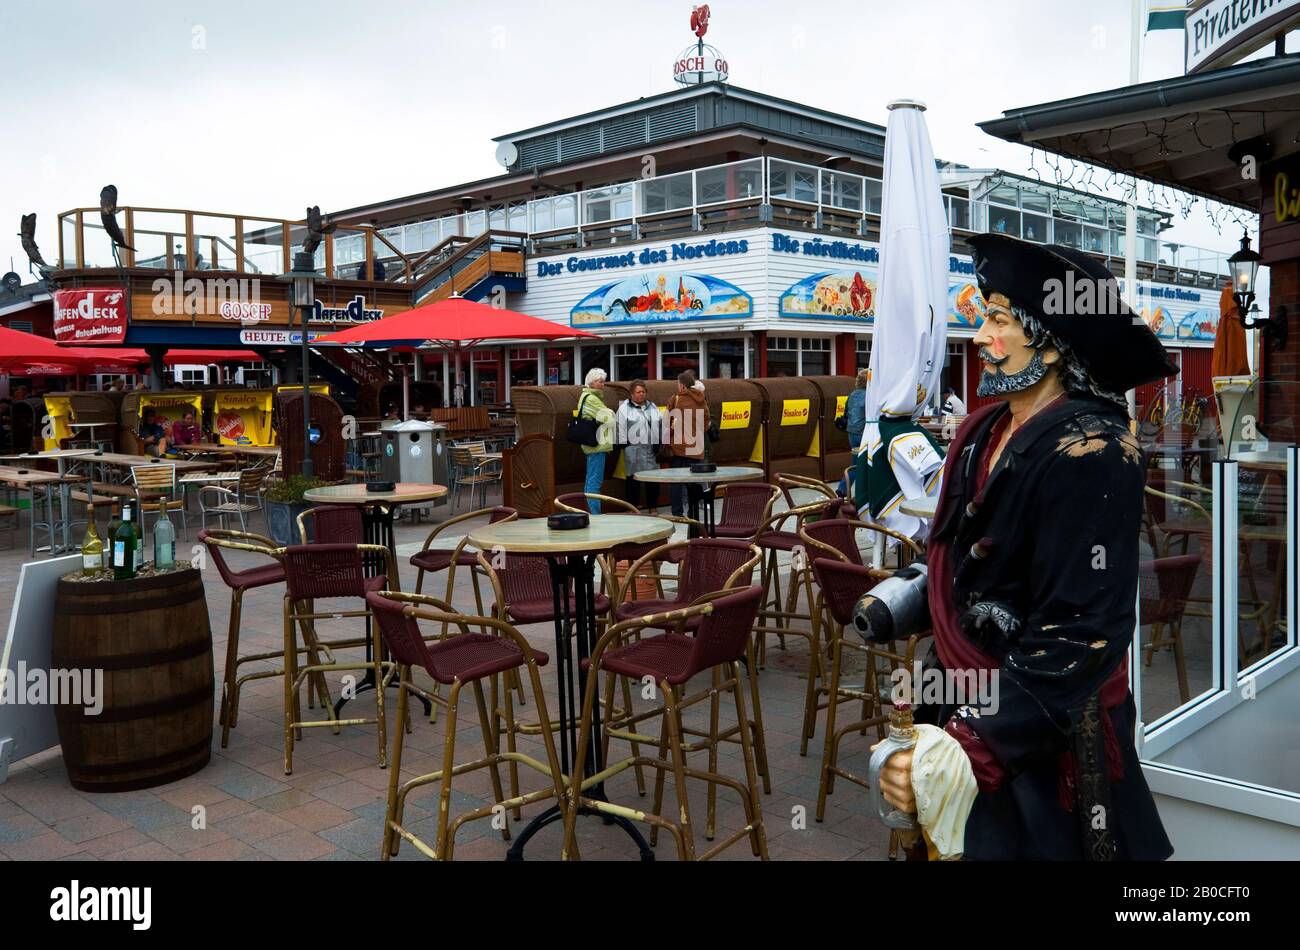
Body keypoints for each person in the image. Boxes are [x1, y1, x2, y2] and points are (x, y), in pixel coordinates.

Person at [865, 233, 1175, 861]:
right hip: (958, 690)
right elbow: (964, 554)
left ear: (1055, 343)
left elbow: (1085, 629)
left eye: (999, 319)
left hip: (1042, 729)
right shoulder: (984, 433)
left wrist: (971, 744)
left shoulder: (1094, 452)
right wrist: (910, 594)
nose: (980, 336)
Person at [665, 370, 710, 519]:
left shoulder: (675, 399)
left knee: (677, 482)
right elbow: (706, 423)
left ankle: (677, 513)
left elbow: (666, 421)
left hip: (678, 448)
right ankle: (693, 512)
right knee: (694, 482)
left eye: (678, 384)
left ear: (682, 386)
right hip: (696, 448)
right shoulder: (701, 399)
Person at [615, 380, 661, 513]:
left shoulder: (652, 406)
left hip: (650, 449)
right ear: (631, 394)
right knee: (632, 480)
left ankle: (653, 507)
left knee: (652, 480)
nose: (641, 394)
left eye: (643, 392)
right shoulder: (624, 408)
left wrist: (658, 442)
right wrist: (624, 445)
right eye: (638, 392)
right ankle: (632, 507)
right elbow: (619, 427)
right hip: (633, 449)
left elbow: (659, 424)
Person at [577, 367, 614, 513]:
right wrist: (610, 411)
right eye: (600, 381)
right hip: (597, 445)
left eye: (603, 382)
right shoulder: (592, 399)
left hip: (593, 444)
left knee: (591, 480)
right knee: (595, 482)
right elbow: (609, 419)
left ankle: (590, 511)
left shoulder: (588, 397)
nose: (602, 384)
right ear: (591, 383)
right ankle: (595, 514)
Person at [837, 369, 868, 497]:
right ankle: (860, 491)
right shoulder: (869, 396)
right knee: (864, 464)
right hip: (863, 433)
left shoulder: (853, 394)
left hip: (851, 432)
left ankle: (843, 489)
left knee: (856, 463)